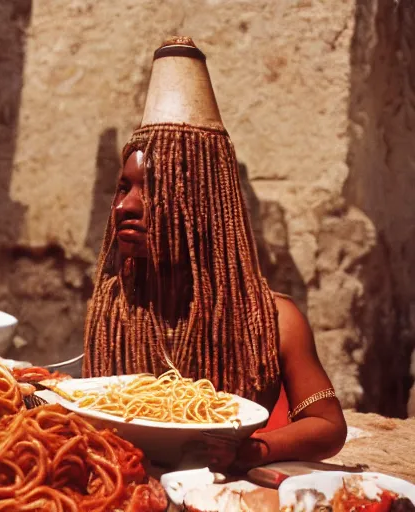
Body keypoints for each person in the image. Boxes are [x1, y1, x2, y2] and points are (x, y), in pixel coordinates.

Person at [83, 37, 346, 470]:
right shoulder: (114, 309)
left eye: (151, 190)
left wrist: (252, 452)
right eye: (123, 187)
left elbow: (327, 425)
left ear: (200, 205)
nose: (125, 206)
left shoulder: (274, 321)